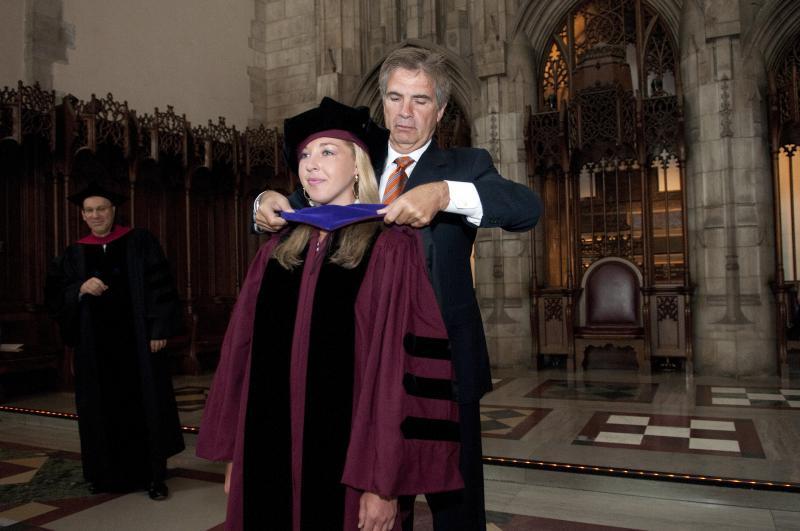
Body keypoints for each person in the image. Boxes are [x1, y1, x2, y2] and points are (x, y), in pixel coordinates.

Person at [254, 47, 542, 530]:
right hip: (364, 360)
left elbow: (525, 207)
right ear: (382, 103)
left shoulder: (465, 164)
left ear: (442, 110)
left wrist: (445, 193)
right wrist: (263, 201)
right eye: (395, 98)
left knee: (454, 500)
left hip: (439, 361)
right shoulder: (355, 162)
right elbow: (297, 204)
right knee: (378, 497)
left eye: (421, 100)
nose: (405, 112)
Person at [197, 97, 463, 531]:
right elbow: (240, 359)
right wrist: (237, 454)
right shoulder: (277, 251)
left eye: (327, 152)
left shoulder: (389, 247)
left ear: (358, 166)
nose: (310, 165)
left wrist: (383, 483)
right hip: (267, 456)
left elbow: (399, 373)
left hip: (352, 471)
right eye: (304, 155)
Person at [45, 181, 184, 500]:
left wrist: (159, 328)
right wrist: (80, 288)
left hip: (138, 345)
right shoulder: (74, 252)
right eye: (89, 211)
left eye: (101, 209)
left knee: (145, 407)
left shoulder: (140, 241)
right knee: (99, 410)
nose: (95, 215)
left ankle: (153, 477)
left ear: (113, 210)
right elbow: (54, 295)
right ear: (82, 215)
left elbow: (161, 285)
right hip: (94, 349)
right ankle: (104, 476)